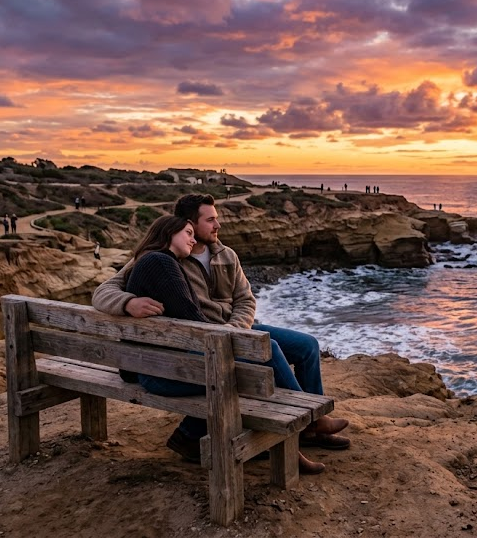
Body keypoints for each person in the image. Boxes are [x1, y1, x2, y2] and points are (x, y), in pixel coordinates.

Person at [92, 194, 349, 471]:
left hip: (231, 330)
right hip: (201, 339)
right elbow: (104, 291)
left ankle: (311, 429)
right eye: (211, 219)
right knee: (263, 356)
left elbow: (246, 300)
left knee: (307, 345)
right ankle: (305, 421)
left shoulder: (226, 255)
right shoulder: (166, 256)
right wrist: (128, 302)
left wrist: (234, 330)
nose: (218, 225)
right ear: (189, 223)